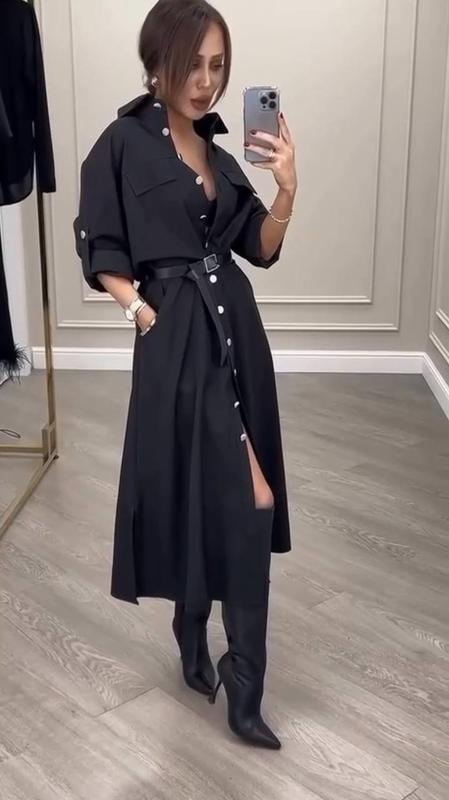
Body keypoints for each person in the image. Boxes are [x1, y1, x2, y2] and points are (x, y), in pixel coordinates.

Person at [73, 0, 297, 750]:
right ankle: (241, 680)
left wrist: (287, 189)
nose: (205, 81)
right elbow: (99, 244)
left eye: (217, 66)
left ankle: (202, 636)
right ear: (157, 64)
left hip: (237, 335)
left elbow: (259, 246)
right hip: (175, 342)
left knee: (223, 490)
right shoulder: (121, 144)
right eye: (192, 64)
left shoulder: (219, 153)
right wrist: (141, 311)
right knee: (242, 493)